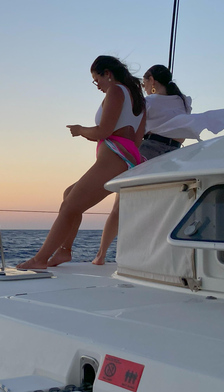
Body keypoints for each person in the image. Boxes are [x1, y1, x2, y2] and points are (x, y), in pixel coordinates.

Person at [52, 64, 190, 266]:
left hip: (150, 148)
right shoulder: (184, 102)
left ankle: (100, 255)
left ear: (151, 80)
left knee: (118, 206)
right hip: (174, 152)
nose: (143, 85)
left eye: (145, 82)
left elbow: (134, 125)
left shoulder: (147, 101)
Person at [17, 56, 145, 270]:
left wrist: (80, 131)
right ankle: (64, 251)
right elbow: (137, 140)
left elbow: (103, 131)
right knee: (70, 194)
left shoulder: (116, 90)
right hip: (125, 157)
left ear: (107, 73)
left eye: (97, 80)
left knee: (70, 206)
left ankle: (40, 259)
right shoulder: (138, 100)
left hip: (115, 157)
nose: (98, 86)